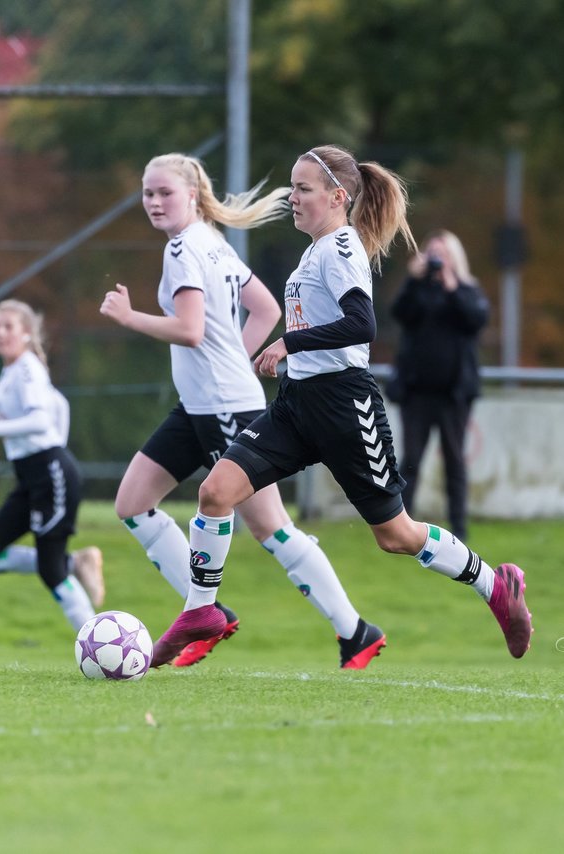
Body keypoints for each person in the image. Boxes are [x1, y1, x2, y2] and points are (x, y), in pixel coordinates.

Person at [148, 144, 533, 668]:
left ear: (337, 196)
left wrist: (289, 342)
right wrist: (291, 348)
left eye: (303, 189)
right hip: (297, 406)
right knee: (216, 491)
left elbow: (362, 325)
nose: (293, 198)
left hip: (346, 408)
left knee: (396, 536)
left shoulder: (342, 248)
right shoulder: (314, 250)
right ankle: (200, 611)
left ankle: (496, 584)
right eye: (292, 187)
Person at [99, 152, 383, 669]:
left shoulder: (187, 248)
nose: (155, 202)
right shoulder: (211, 241)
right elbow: (268, 308)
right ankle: (206, 611)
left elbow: (190, 329)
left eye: (165, 192)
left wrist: (129, 317)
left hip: (224, 404)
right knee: (133, 503)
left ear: (192, 194)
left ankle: (354, 630)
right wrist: (243, 358)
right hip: (200, 404)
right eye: (147, 193)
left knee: (272, 529)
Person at [0, 299, 105, 633]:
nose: (0, 333)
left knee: (51, 571)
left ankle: (98, 642)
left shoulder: (28, 368)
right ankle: (75, 563)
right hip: (30, 479)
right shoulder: (15, 370)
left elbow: (39, 420)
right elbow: (59, 405)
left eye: (8, 326)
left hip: (51, 476)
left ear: (27, 334)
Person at [390, 229, 489, 540]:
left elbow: (475, 319)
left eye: (442, 254)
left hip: (453, 394)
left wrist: (451, 285)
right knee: (411, 460)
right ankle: (400, 525)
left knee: (455, 461)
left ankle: (459, 526)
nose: (436, 260)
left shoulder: (467, 290)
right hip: (417, 392)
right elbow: (399, 313)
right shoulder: (417, 291)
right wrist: (414, 280)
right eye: (431, 254)